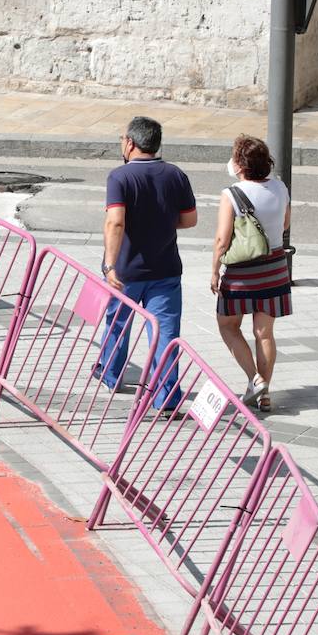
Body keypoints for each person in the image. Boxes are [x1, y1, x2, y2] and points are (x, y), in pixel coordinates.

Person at [96, 117, 198, 411]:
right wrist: (162, 224)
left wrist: (109, 265)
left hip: (126, 270)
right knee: (166, 333)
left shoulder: (120, 177)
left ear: (130, 142)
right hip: (166, 269)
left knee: (118, 323)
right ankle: (166, 396)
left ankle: (111, 374)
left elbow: (115, 221)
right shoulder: (176, 175)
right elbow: (189, 220)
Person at [211, 134, 292, 413]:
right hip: (275, 268)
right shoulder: (280, 188)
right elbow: (284, 225)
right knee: (264, 333)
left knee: (227, 325)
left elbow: (222, 240)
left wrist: (213, 271)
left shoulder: (231, 194)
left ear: (240, 164)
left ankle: (254, 379)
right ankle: (264, 394)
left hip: (242, 273)